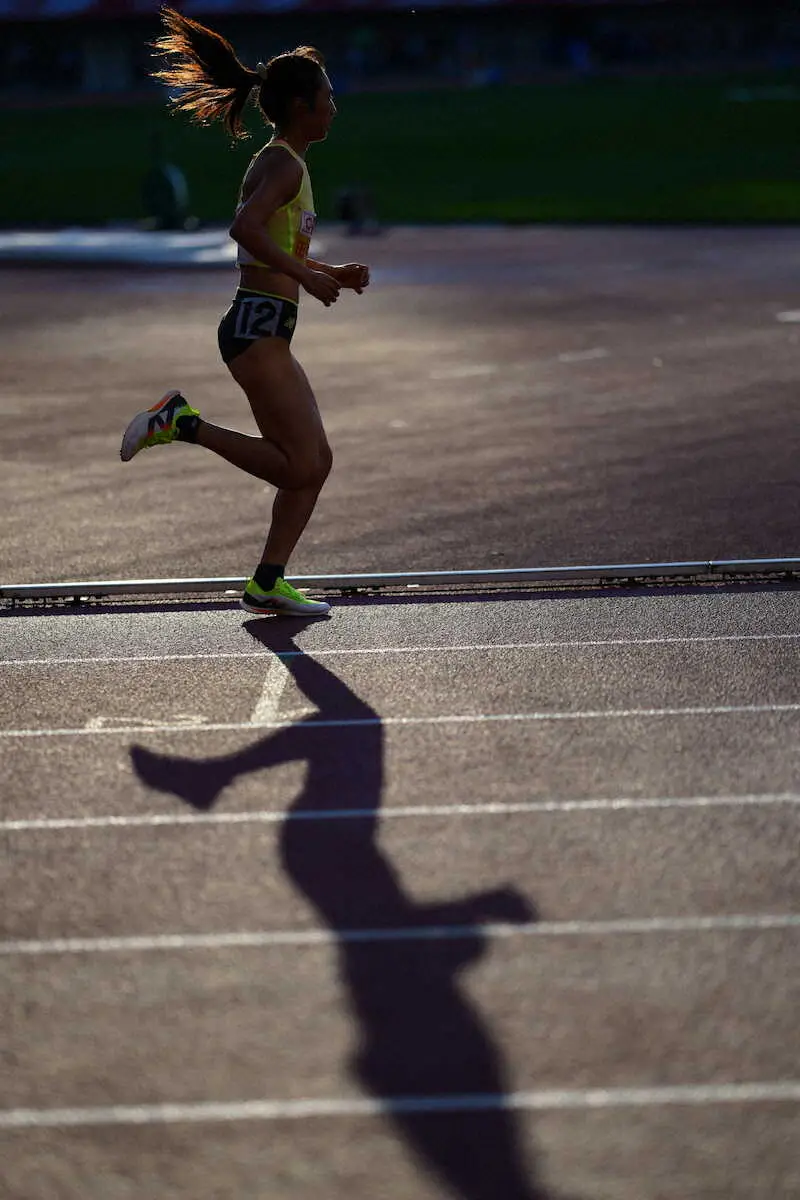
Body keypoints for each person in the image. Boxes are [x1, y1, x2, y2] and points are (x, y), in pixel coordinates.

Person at [120, 6, 370, 617]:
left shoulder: (287, 162)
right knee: (302, 464)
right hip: (256, 326)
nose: (334, 106)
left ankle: (267, 581)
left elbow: (271, 244)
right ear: (301, 107)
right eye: (327, 96)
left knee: (314, 464)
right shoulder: (284, 161)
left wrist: (326, 270)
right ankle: (181, 423)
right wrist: (308, 275)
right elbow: (245, 229)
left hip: (264, 324)